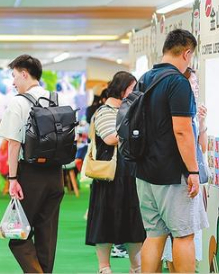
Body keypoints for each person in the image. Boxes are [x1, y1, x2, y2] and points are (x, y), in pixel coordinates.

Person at [134, 29, 208, 274]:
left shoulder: (145, 79)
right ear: (187, 53)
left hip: (145, 170)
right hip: (173, 173)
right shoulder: (178, 82)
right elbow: (182, 131)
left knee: (154, 235)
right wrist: (193, 171)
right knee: (184, 235)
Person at [0, 54, 66, 273]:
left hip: (30, 174)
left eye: (15, 76)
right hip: (56, 174)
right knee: (47, 235)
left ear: (25, 74)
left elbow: (13, 144)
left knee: (17, 235)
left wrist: (12, 179)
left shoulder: (18, 102)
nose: (13, 82)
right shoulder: (56, 99)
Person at [86, 71, 145, 274]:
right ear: (121, 89)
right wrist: (134, 131)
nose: (135, 92)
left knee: (133, 222)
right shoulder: (104, 111)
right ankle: (104, 268)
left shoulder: (129, 109)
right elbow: (110, 138)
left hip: (130, 174)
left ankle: (136, 268)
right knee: (105, 222)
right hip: (109, 176)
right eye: (132, 88)